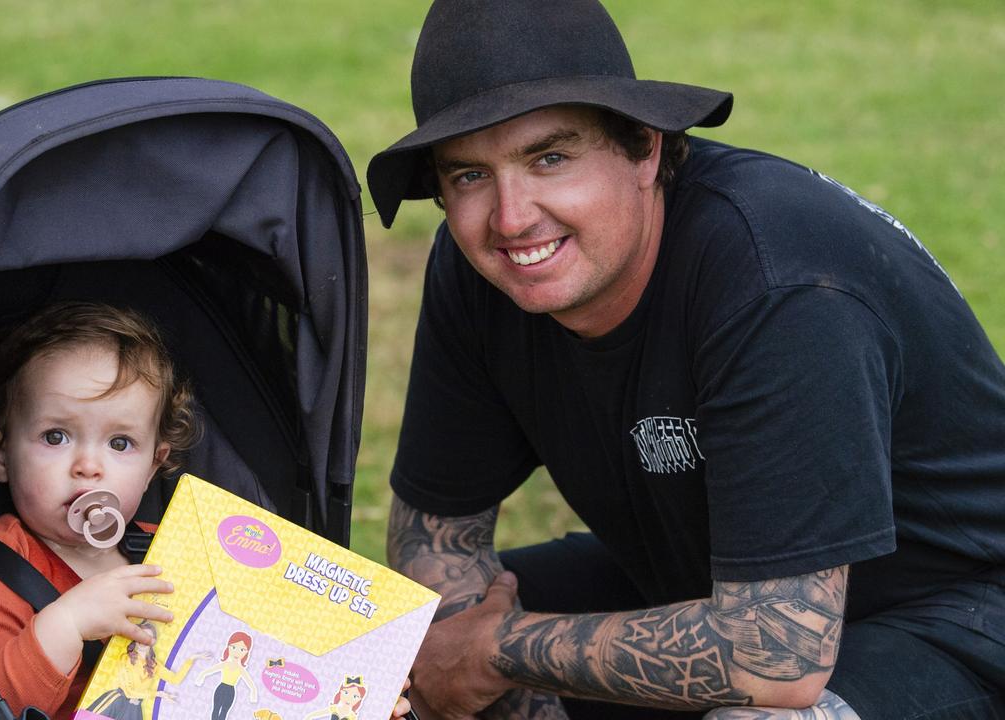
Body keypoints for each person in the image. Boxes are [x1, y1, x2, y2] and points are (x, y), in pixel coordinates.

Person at [366, 1, 1005, 719]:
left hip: (956, 616)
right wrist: (481, 682)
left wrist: (493, 653)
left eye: (549, 157)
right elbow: (434, 536)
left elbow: (777, 656)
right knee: (381, 644)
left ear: (644, 148)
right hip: (696, 579)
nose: (512, 218)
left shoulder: (778, 282)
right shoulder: (475, 271)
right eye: (469, 177)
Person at [0, 301, 197, 718]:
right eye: (56, 436)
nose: (88, 466)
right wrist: (67, 624)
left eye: (120, 443)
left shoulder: (170, 551)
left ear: (154, 465)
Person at [83, 620, 211, 720]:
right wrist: (157, 694)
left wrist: (191, 659)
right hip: (116, 701)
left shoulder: (154, 665)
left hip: (134, 710)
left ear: (153, 641)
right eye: (140, 635)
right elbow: (129, 691)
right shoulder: (126, 658)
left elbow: (175, 679)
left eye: (148, 637)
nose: (144, 640)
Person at [194, 630, 260, 720]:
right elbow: (209, 671)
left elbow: (250, 683)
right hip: (221, 689)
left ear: (246, 652)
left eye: (242, 650)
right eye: (233, 647)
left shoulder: (240, 669)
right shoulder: (225, 664)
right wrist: (201, 676)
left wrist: (253, 693)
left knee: (224, 711)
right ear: (228, 647)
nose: (237, 652)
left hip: (230, 691)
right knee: (216, 709)